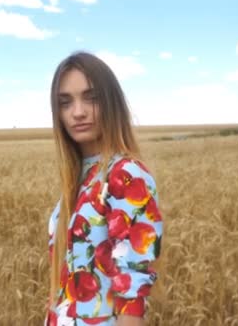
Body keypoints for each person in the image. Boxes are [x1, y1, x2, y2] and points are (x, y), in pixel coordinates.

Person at [45, 51, 163, 326]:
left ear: (111, 103)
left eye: (91, 98)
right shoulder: (81, 178)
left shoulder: (126, 175)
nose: (78, 112)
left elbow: (132, 292)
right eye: (65, 102)